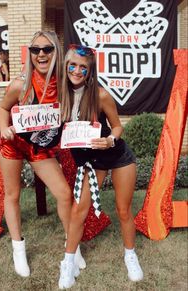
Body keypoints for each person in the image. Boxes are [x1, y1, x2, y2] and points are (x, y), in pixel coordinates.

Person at [0, 31, 85, 278]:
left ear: (56, 51)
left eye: (47, 49)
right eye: (36, 50)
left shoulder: (66, 85)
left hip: (39, 147)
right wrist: (4, 128)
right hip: (14, 144)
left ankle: (72, 246)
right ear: (30, 53)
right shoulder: (20, 83)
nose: (42, 54)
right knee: (12, 194)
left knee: (64, 193)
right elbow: (3, 108)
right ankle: (18, 249)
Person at [58, 44, 143, 289]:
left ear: (90, 72)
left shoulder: (100, 95)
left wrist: (110, 140)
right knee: (78, 211)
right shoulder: (60, 95)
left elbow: (118, 126)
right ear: (65, 67)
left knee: (123, 210)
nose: (76, 71)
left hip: (117, 156)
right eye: (72, 65)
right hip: (92, 161)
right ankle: (68, 262)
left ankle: (130, 255)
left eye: (82, 68)